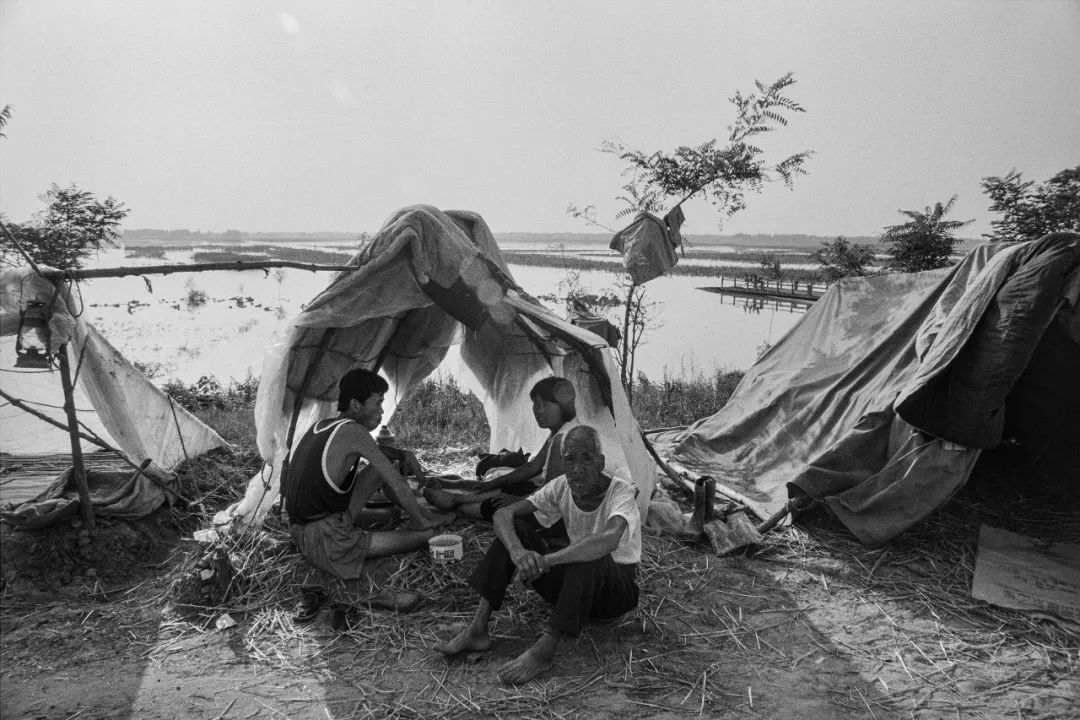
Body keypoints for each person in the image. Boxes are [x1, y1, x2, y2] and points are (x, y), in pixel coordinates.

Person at [435, 425, 641, 685]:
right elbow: (502, 515)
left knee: (589, 554)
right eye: (569, 459)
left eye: (587, 458)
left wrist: (548, 560)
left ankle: (545, 650)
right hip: (574, 591)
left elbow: (608, 541)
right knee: (517, 531)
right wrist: (518, 552)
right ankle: (478, 627)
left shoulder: (621, 493)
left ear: (601, 462)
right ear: (562, 463)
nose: (577, 469)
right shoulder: (561, 486)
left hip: (613, 596)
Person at [283, 368, 450, 617]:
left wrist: (402, 455)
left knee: (379, 470)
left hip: (301, 529)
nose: (382, 411)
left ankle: (409, 518)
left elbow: (381, 462)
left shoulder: (323, 426)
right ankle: (415, 530)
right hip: (327, 541)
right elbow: (396, 482)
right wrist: (423, 521)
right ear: (355, 404)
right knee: (424, 534)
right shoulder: (354, 431)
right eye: (378, 403)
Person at [424, 377, 579, 521]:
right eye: (536, 405)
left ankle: (457, 507)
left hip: (556, 510)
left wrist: (520, 501)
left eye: (544, 405)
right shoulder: (559, 430)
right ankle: (456, 499)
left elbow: (550, 491)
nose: (538, 411)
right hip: (547, 494)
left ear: (563, 407)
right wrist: (496, 482)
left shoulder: (564, 438)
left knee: (496, 505)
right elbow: (533, 466)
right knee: (509, 485)